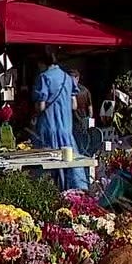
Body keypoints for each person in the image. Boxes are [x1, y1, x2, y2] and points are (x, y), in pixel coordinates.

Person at [32, 47, 89, 191]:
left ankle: (51, 195)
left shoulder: (44, 78)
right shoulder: (67, 78)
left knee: (48, 168)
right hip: (66, 128)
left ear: (41, 63)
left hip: (49, 128)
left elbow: (41, 106)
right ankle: (73, 194)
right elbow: (74, 105)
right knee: (69, 163)